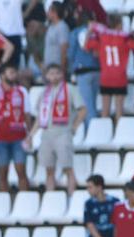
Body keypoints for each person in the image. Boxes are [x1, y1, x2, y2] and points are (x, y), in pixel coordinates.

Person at [32, 63, 85, 194]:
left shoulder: (70, 89)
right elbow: (40, 117)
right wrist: (31, 134)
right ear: (46, 76)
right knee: (49, 169)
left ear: (62, 74)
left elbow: (82, 109)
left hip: (63, 133)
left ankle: (71, 195)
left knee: (67, 168)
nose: (54, 76)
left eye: (57, 73)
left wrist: (74, 127)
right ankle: (51, 197)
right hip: (47, 134)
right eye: (51, 73)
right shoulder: (44, 92)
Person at [0, 63, 33, 192]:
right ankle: (3, 205)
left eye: (14, 72)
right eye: (11, 72)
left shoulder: (22, 91)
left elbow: (27, 114)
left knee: (21, 172)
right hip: (0, 138)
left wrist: (30, 135)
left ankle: (24, 203)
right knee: (2, 174)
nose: (14, 75)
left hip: (19, 137)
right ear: (2, 75)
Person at [85, 14, 134, 123]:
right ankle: (119, 134)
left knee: (105, 111)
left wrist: (89, 32)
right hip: (120, 76)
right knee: (119, 110)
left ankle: (104, 134)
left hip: (106, 76)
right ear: (119, 24)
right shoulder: (125, 37)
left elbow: (86, 47)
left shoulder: (101, 37)